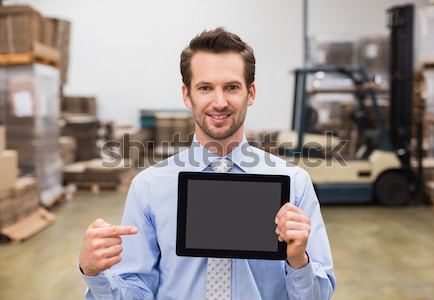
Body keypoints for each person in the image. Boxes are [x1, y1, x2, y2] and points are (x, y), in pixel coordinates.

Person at [79, 27, 336, 300]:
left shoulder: (295, 185)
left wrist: (298, 260)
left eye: (232, 87)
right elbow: (136, 292)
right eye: (205, 88)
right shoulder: (149, 188)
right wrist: (94, 274)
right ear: (187, 95)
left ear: (250, 93)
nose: (219, 102)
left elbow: (319, 296)